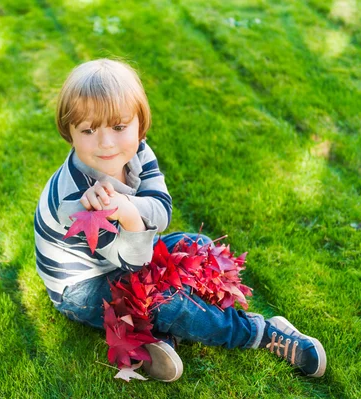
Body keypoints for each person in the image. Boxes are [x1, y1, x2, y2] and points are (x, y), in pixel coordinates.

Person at [34, 58, 326, 382]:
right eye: (88, 130)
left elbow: (161, 210)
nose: (107, 143)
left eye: (118, 127)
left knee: (196, 247)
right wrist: (129, 215)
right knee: (166, 300)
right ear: (69, 132)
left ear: (139, 125)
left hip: (128, 250)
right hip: (82, 286)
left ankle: (158, 335)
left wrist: (128, 209)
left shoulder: (138, 152)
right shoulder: (76, 201)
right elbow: (135, 264)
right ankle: (261, 332)